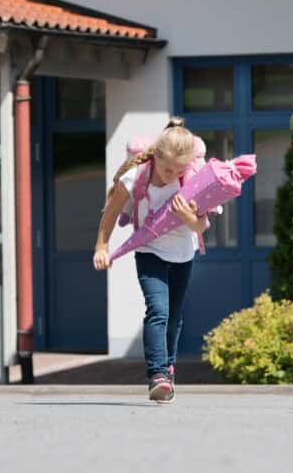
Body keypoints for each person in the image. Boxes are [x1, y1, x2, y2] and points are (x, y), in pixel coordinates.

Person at [93, 119, 208, 403]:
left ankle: (168, 367)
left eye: (179, 170)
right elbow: (110, 212)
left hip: (183, 254)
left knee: (174, 318)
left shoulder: (191, 176)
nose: (173, 175)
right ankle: (157, 375)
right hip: (149, 251)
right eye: (168, 168)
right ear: (156, 155)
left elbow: (201, 226)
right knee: (158, 310)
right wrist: (101, 247)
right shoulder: (134, 179)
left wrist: (189, 218)